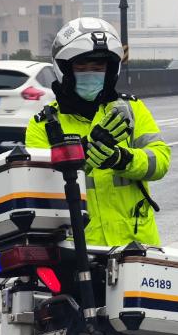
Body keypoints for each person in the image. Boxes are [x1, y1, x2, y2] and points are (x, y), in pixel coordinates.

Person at [25, 17, 170, 247]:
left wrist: (122, 159)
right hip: (77, 249)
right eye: (81, 67)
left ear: (110, 70)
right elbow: (40, 185)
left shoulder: (131, 110)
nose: (90, 74)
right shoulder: (44, 125)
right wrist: (81, 154)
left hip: (136, 247)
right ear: (65, 70)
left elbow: (160, 161)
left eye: (97, 68)